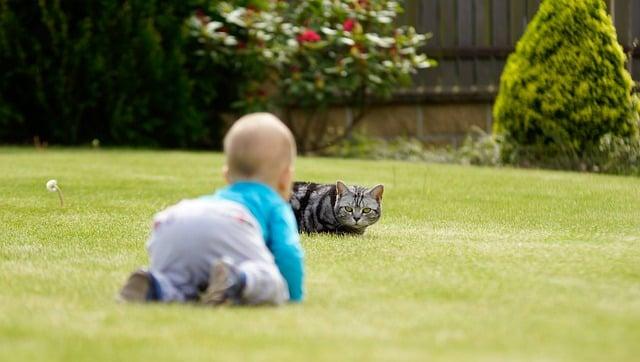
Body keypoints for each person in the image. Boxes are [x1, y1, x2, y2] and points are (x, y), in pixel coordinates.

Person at [118, 112, 304, 305]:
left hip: (174, 219)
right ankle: (236, 278)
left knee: (181, 284)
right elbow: (287, 252)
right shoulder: (274, 203)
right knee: (270, 280)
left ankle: (157, 285)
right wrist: (294, 296)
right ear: (285, 178)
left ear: (226, 176)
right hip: (232, 221)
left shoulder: (223, 199)